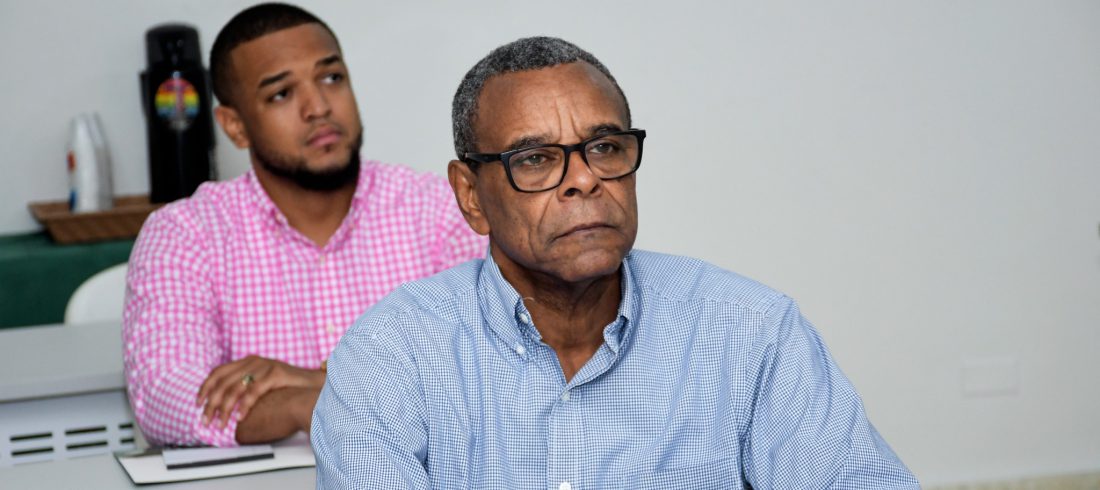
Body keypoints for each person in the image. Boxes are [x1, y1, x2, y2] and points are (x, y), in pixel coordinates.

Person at [311, 36, 920, 488]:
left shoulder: (751, 331)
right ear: (471, 196)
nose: (584, 180)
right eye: (535, 159)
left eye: (604, 147)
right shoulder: (391, 357)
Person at [122, 3, 485, 447]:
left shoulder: (441, 210)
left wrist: (318, 383)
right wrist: (301, 406)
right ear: (235, 126)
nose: (318, 107)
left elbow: (494, 370)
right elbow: (167, 397)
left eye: (331, 78)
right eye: (281, 94)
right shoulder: (185, 233)